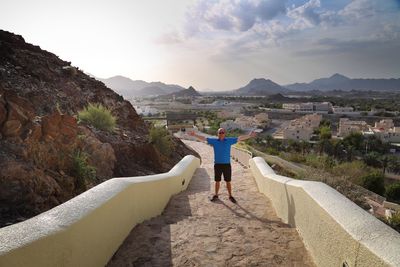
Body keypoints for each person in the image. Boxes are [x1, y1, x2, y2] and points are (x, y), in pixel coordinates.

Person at [189, 128, 257, 203]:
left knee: (228, 181)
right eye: (220, 132)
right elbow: (204, 138)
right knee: (217, 181)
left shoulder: (229, 140)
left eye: (222, 132)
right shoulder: (214, 141)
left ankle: (230, 195)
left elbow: (239, 138)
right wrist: (194, 135)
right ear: (218, 134)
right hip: (217, 165)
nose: (221, 134)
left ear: (225, 133)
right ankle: (216, 194)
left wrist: (249, 136)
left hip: (226, 165)